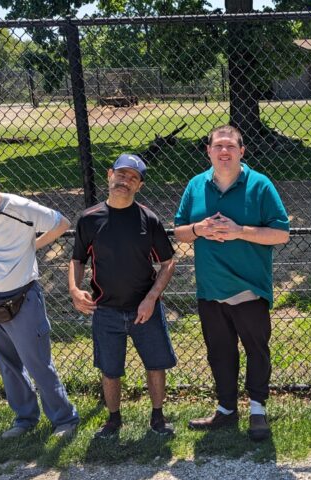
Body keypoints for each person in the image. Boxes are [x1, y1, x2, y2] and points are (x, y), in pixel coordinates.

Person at [174, 125, 290, 441]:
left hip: (249, 288)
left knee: (256, 350)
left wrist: (240, 231)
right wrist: (199, 229)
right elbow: (179, 232)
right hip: (210, 290)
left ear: (242, 150)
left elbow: (281, 233)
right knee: (219, 352)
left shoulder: (260, 185)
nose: (224, 151)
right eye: (218, 146)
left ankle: (257, 410)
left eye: (230, 146)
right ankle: (225, 409)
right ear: (208, 151)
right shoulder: (196, 185)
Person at [69, 154, 177, 439]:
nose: (125, 181)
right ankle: (113, 419)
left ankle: (158, 418)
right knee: (110, 369)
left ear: (139, 186)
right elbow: (77, 259)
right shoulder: (89, 220)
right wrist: (74, 288)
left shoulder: (148, 219)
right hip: (105, 310)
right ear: (109, 175)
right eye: (121, 174)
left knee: (156, 364)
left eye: (133, 178)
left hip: (145, 309)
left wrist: (152, 298)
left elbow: (168, 263)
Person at [0, 160, 79, 439]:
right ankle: (25, 418)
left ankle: (64, 419)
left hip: (22, 298)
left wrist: (32, 245)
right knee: (7, 365)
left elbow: (62, 223)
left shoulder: (20, 207)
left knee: (38, 363)